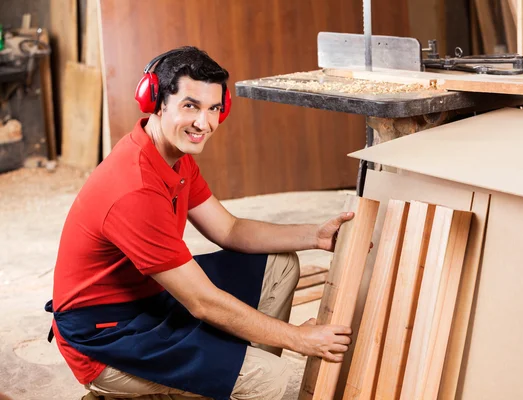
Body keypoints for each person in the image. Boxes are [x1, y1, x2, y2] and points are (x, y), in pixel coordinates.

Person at [45, 46, 354, 400]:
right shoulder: (134, 188)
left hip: (147, 299)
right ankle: (216, 380)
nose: (204, 124)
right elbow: (201, 303)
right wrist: (296, 337)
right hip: (105, 336)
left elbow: (229, 230)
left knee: (278, 264)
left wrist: (315, 236)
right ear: (156, 101)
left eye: (214, 109)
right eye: (190, 106)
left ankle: (224, 377)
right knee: (270, 378)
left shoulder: (173, 156)